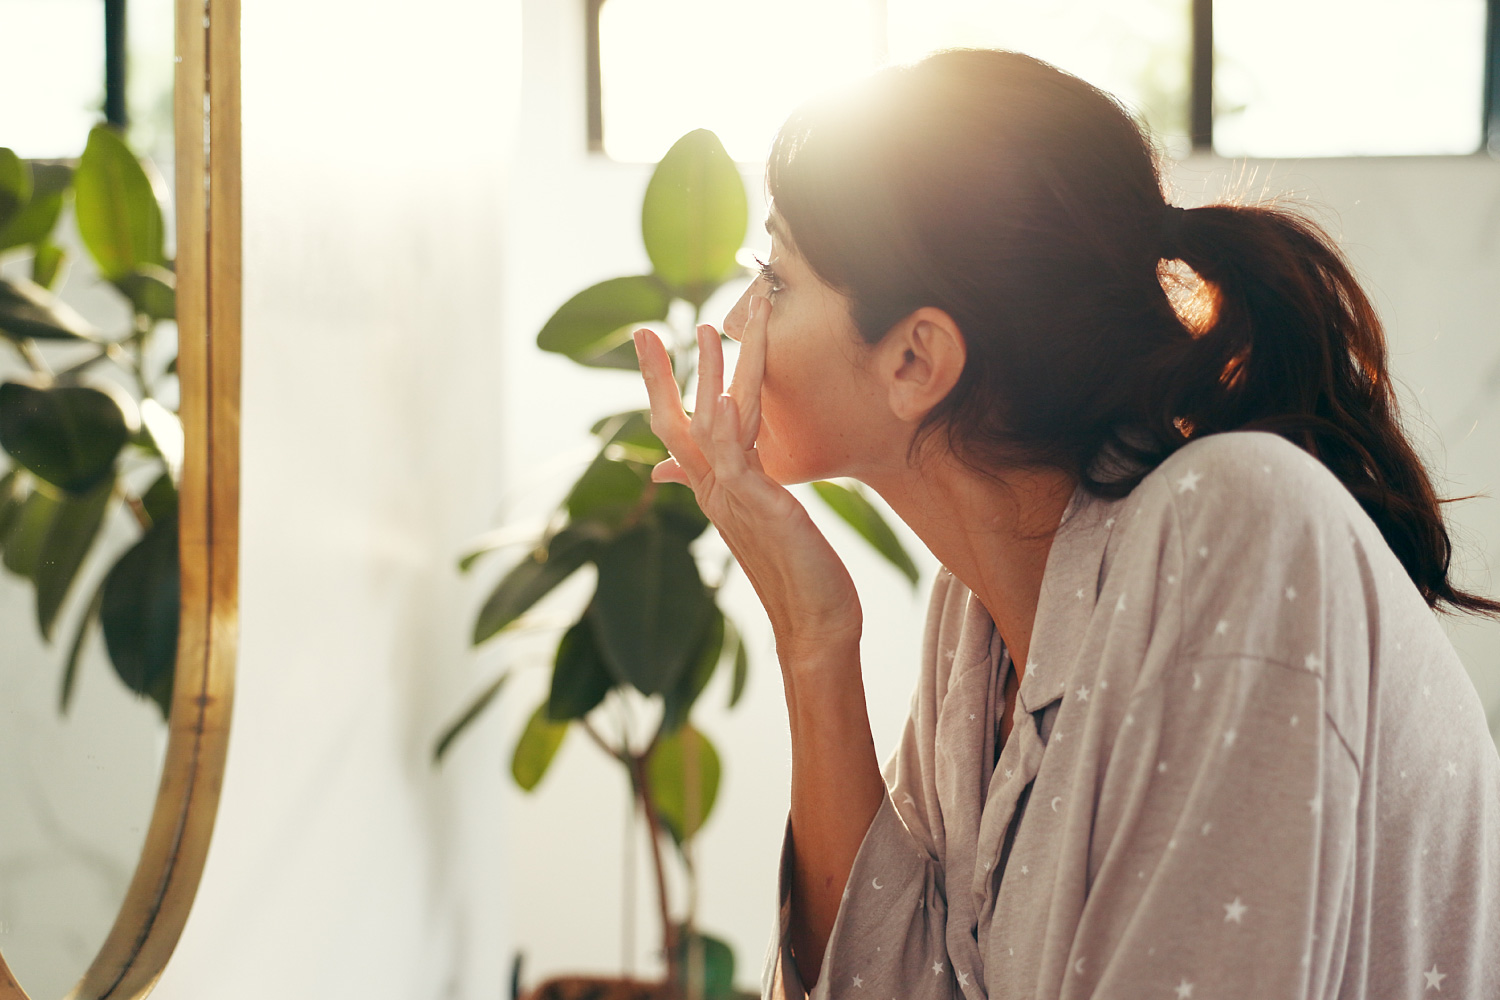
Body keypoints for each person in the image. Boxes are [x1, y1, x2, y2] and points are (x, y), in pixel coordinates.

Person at [632, 49, 1500, 1000]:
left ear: (917, 360)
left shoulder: (1235, 528)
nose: (737, 320)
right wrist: (814, 640)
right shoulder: (974, 627)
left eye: (776, 278)